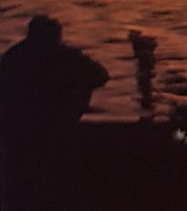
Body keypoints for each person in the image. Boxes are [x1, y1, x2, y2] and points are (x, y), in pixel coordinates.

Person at [0, 16, 108, 208]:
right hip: (53, 128)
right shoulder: (67, 58)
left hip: (20, 133)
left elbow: (100, 75)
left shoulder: (14, 57)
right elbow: (100, 76)